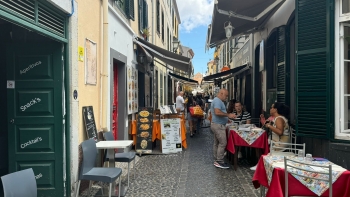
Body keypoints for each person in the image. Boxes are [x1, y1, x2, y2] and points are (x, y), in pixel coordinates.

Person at [250, 102, 290, 171]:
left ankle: (260, 165)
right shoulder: (277, 118)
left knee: (260, 144)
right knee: (259, 143)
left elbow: (280, 132)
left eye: (272, 107)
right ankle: (260, 164)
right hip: (277, 141)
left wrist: (269, 126)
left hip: (280, 143)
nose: (270, 109)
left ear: (275, 109)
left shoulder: (279, 119)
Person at [210, 89, 236, 169]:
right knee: (223, 143)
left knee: (217, 143)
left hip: (217, 124)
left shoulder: (217, 100)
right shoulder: (217, 101)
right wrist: (228, 115)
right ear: (221, 93)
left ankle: (216, 159)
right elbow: (217, 112)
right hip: (218, 125)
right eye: (226, 95)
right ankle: (219, 161)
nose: (226, 97)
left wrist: (226, 118)